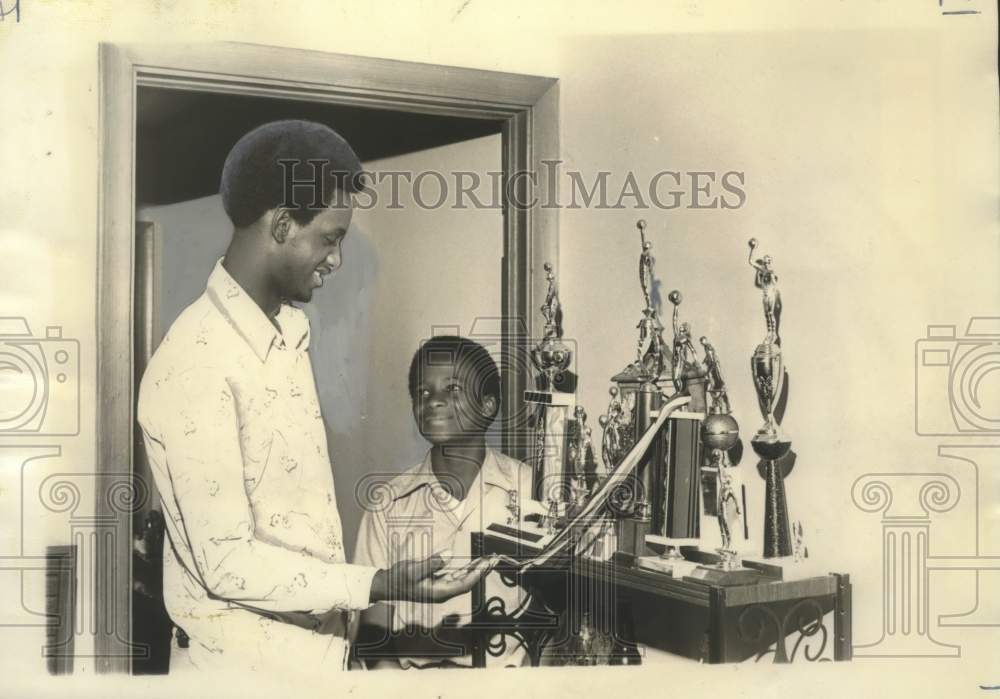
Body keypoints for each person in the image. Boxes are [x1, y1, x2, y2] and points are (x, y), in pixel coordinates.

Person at [137, 121, 493, 677]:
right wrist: (375, 583)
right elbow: (226, 563)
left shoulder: (285, 335)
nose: (337, 260)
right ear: (281, 224)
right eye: (330, 238)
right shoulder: (196, 363)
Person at [353, 336, 534, 669]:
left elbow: (555, 612)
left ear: (488, 406)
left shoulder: (529, 489)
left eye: (452, 389)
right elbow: (373, 632)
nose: (433, 401)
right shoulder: (388, 504)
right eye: (423, 392)